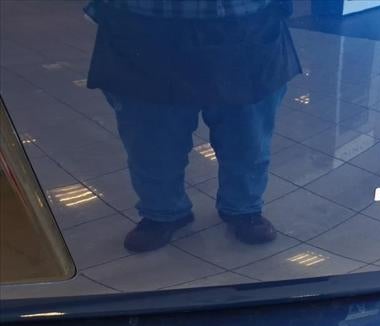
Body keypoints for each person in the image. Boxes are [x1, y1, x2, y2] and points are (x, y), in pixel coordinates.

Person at [85, 0, 301, 251]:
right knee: (151, 139)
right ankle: (162, 212)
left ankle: (244, 208)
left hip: (246, 21)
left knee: (247, 136)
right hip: (142, 24)